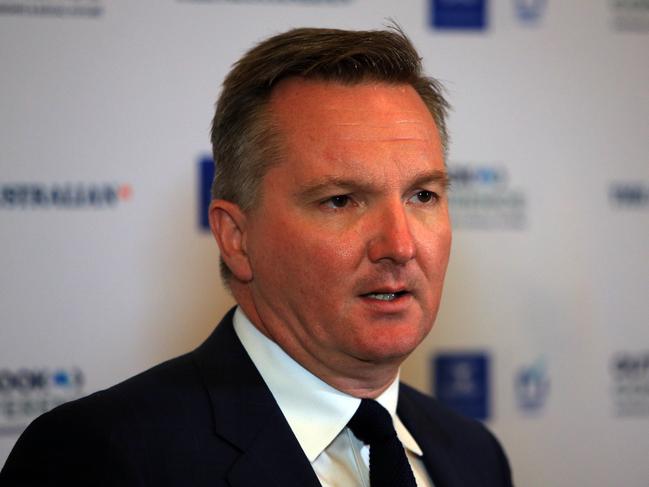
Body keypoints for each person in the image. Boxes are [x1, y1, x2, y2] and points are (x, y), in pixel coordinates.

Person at [0, 27, 513, 486]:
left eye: (423, 196)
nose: (400, 246)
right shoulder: (100, 458)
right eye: (340, 201)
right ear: (236, 239)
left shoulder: (474, 456)